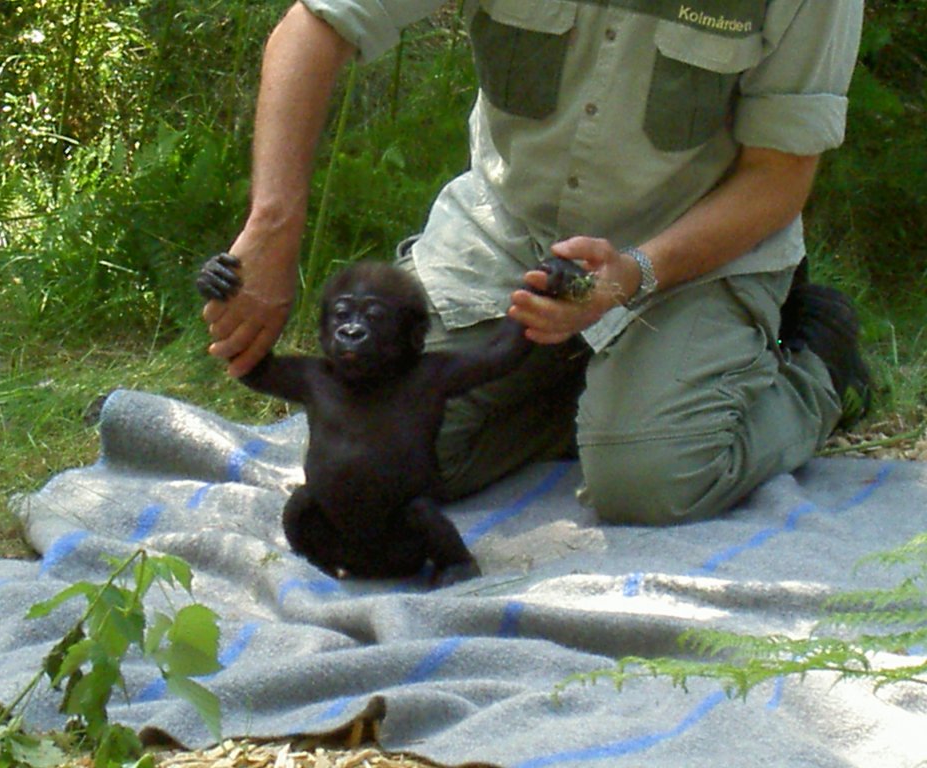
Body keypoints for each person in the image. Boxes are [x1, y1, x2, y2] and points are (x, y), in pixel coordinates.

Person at [203, 0, 871, 525]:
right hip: (509, 237)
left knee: (650, 481)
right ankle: (599, 385)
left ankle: (817, 363)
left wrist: (630, 273)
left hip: (691, 258)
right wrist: (271, 226)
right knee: (382, 453)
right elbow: (314, 25)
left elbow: (778, 176)